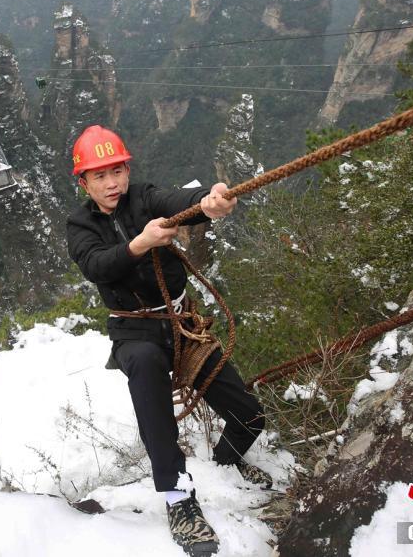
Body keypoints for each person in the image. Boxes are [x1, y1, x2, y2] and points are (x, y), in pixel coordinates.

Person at [65, 125, 273, 556]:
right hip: (134, 330)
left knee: (250, 416)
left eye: (117, 171)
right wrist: (140, 243)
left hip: (181, 323)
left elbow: (180, 202)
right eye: (100, 175)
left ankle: (225, 464)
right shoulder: (80, 224)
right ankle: (178, 499)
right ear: (84, 183)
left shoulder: (144, 197)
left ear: (128, 171)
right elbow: (96, 265)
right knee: (146, 372)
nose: (112, 183)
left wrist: (210, 201)